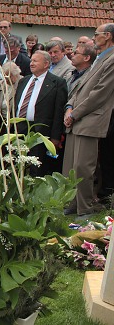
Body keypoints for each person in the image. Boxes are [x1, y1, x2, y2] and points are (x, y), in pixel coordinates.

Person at [63, 24, 114, 218]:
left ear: (107, 36)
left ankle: (84, 208)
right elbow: (81, 87)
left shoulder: (112, 59)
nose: (94, 39)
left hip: (90, 119)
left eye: (96, 35)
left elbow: (100, 93)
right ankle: (73, 203)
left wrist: (75, 113)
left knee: (84, 166)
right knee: (71, 167)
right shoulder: (100, 58)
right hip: (77, 118)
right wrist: (69, 107)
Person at [13, 50, 67, 177]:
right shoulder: (24, 81)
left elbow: (58, 112)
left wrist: (55, 137)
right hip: (20, 129)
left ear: (46, 64)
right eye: (31, 60)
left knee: (36, 168)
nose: (31, 63)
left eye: (35, 61)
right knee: (17, 164)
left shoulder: (57, 83)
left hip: (41, 132)